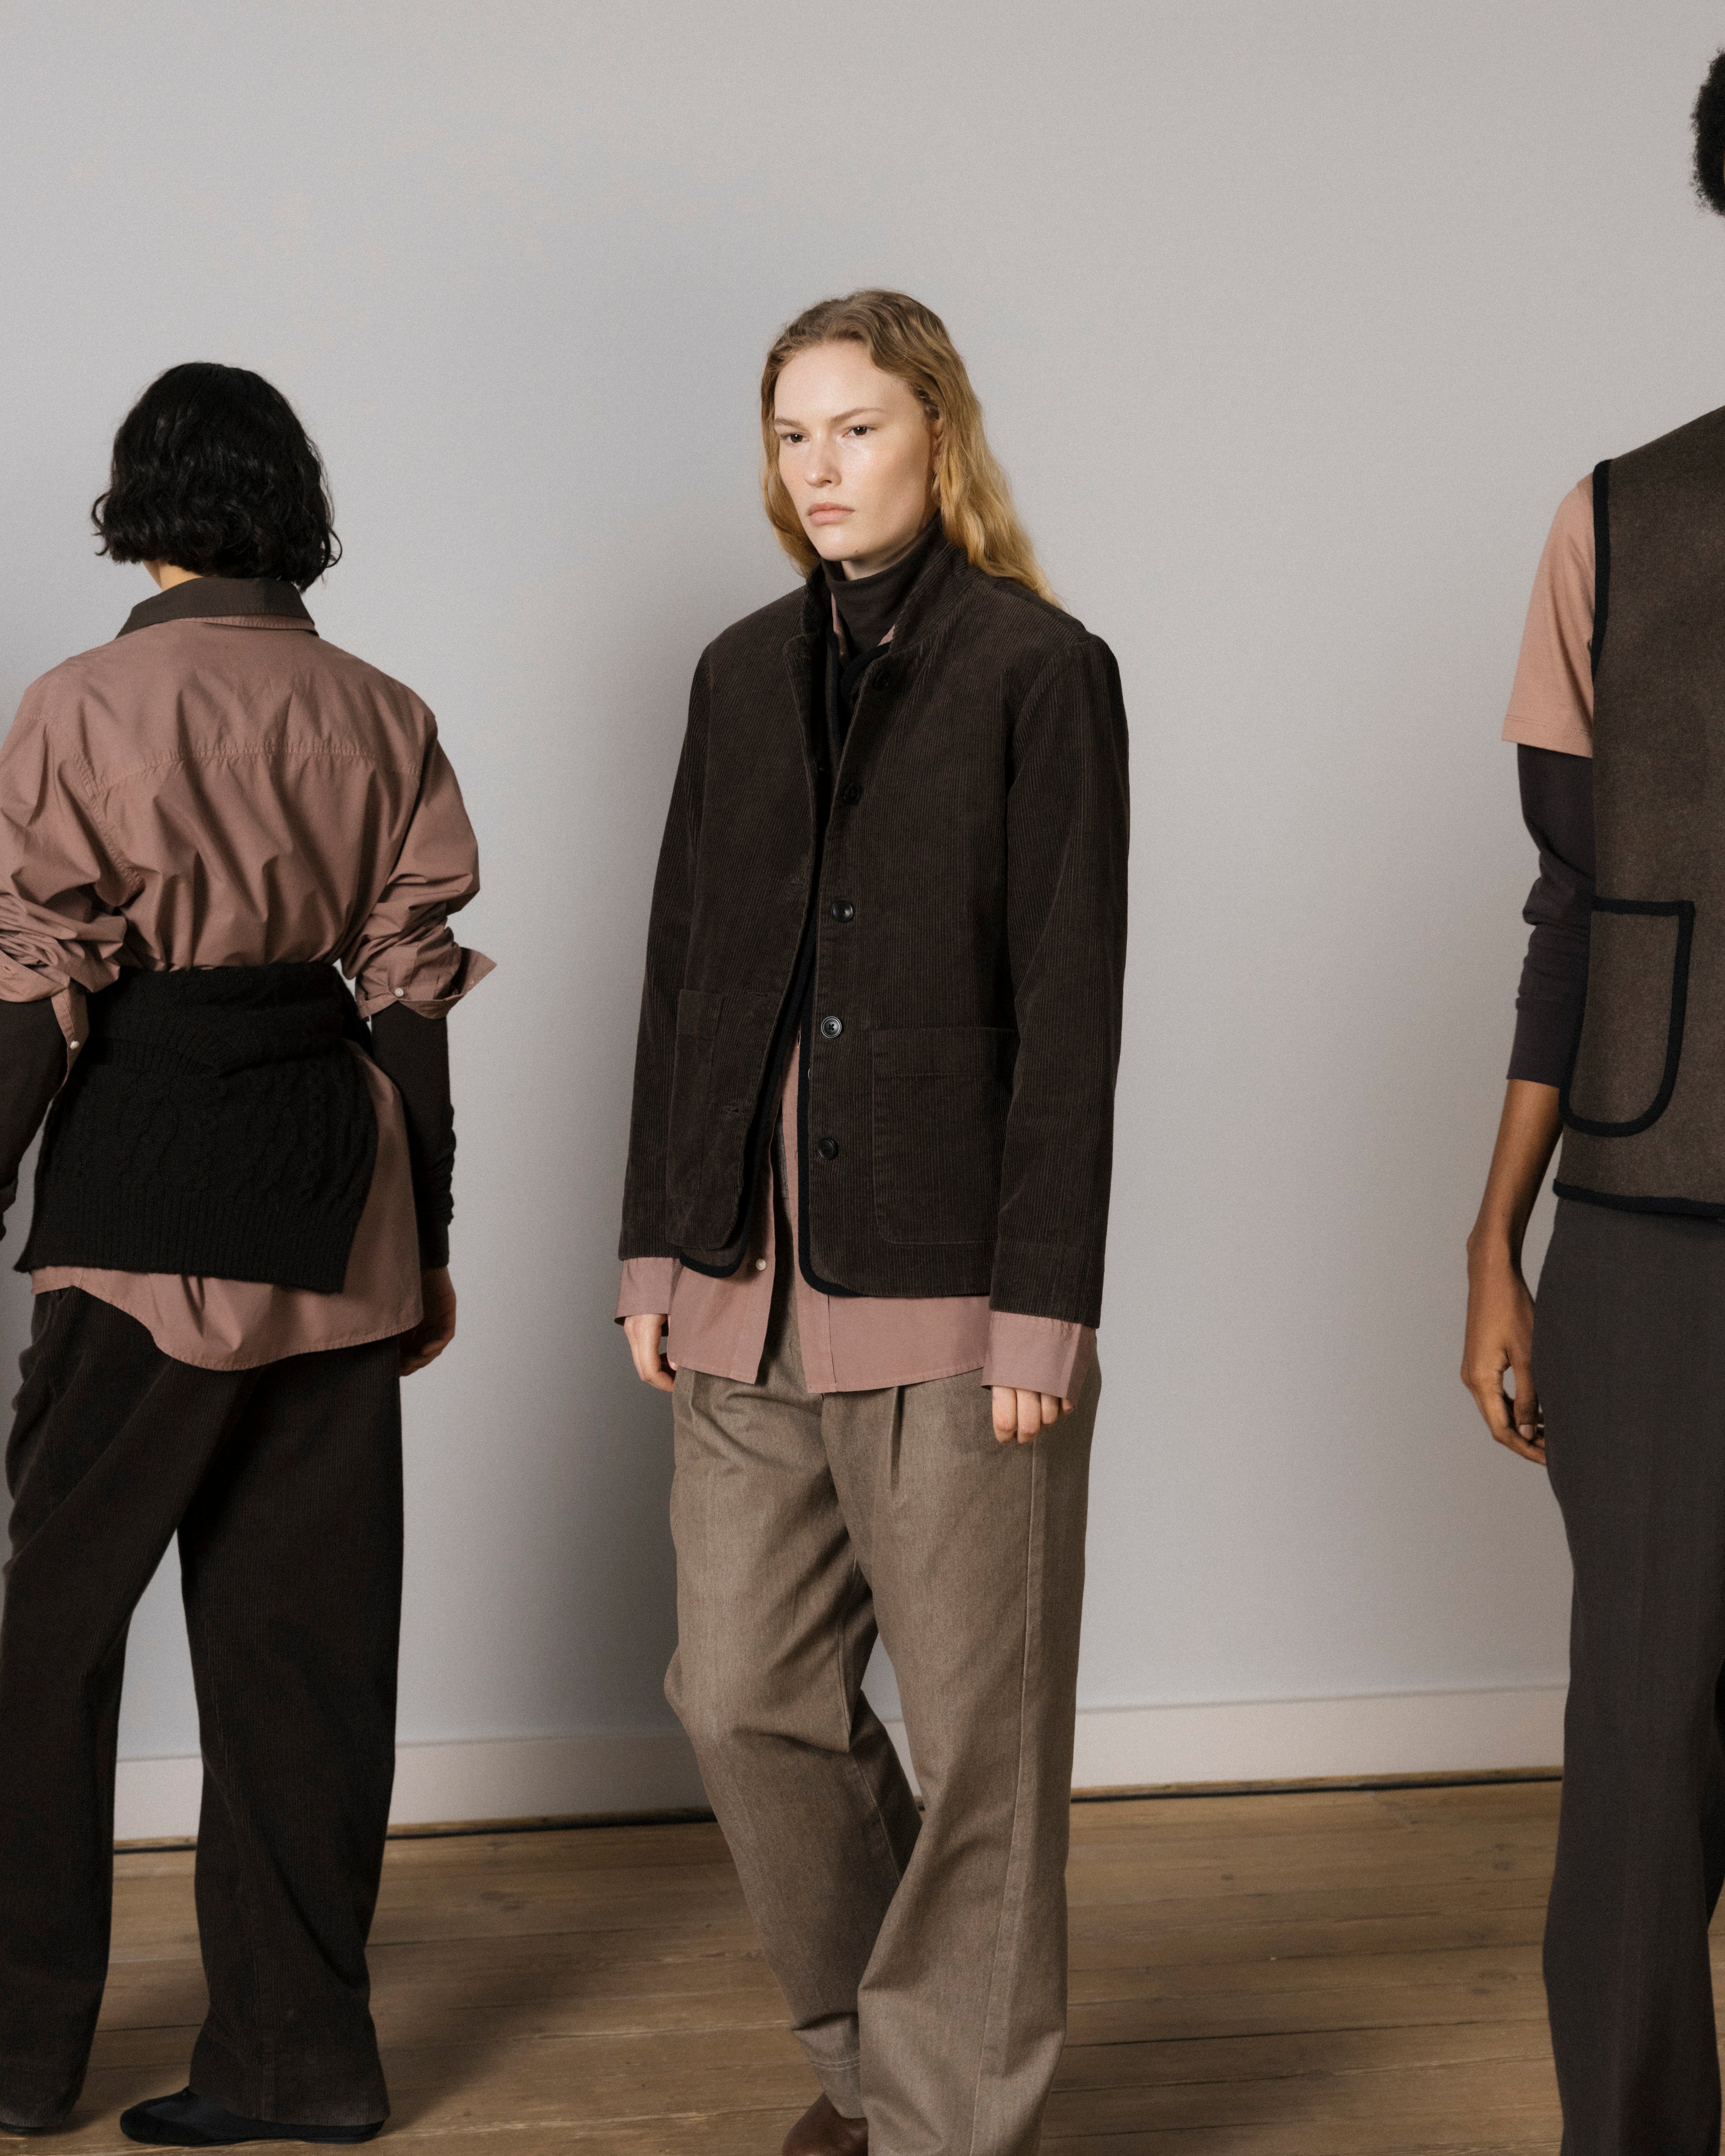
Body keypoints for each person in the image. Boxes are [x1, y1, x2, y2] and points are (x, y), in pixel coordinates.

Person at [617, 291, 1129, 2156]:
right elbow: (683, 971)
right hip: (739, 1287)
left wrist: (1042, 1308)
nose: (819, 468)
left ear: (937, 435)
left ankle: (944, 2125)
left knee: (988, 1750)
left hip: (954, 1299)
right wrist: (655, 1248)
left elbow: (1070, 1003)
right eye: (792, 436)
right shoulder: (736, 672)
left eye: (855, 428)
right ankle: (877, 2065)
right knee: (740, 1698)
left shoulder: (1037, 669)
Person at [0, 364, 490, 2146]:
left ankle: (17, 2055)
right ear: (295, 506)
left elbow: (34, 986)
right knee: (307, 1655)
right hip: (336, 1205)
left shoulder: (78, 706)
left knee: (50, 1643)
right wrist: (428, 1238)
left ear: (140, 505)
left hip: (140, 1198)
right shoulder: (385, 714)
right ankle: (301, 2062)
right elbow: (410, 996)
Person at [1461, 53, 1725, 2155]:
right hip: (1651, 1211)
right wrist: (1493, 1236)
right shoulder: (1621, 521)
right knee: (1643, 1734)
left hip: (1651, 1197)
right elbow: (1574, 897)